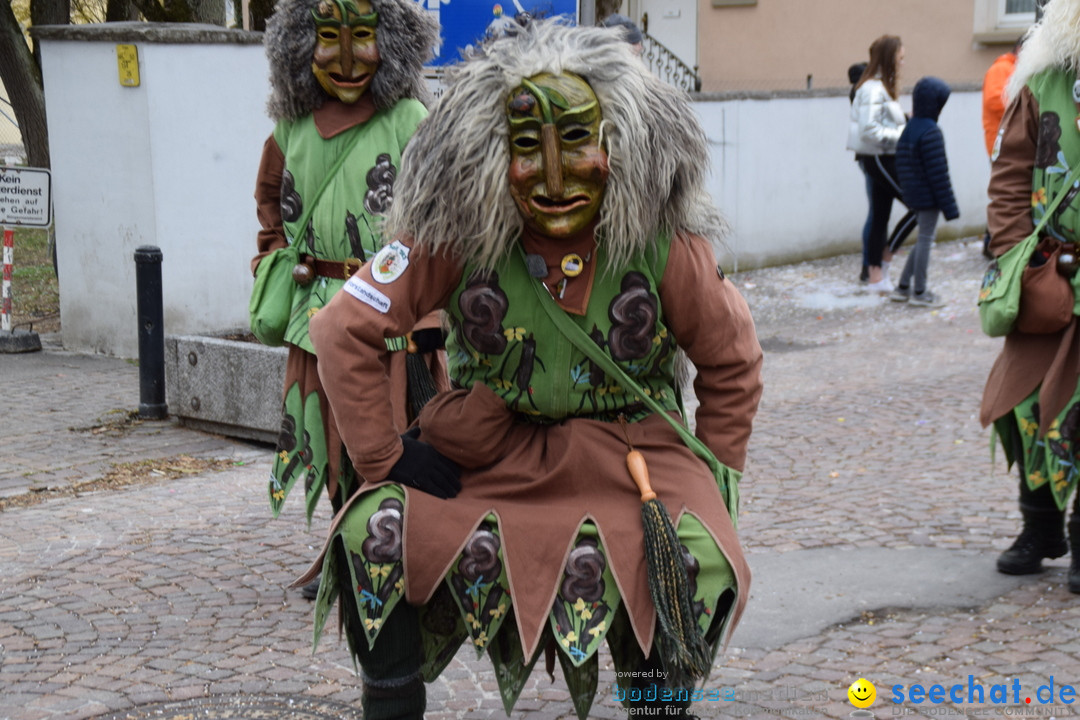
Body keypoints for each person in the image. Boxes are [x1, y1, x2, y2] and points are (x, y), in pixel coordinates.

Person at [301, 19, 763, 720]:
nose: (552, 177)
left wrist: (715, 474)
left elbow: (732, 358)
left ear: (619, 142)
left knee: (692, 555)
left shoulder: (663, 242)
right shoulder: (454, 231)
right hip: (492, 451)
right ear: (490, 152)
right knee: (375, 530)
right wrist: (383, 460)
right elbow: (342, 328)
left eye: (577, 139)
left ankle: (660, 708)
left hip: (635, 458)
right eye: (526, 147)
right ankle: (390, 704)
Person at [251, 0, 446, 593]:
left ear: (390, 40)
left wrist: (432, 310)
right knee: (331, 433)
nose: (344, 56)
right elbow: (268, 208)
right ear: (298, 44)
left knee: (399, 427)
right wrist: (278, 261)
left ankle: (401, 539)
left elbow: (441, 223)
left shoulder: (411, 119)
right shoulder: (290, 129)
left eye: (361, 34)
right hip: (314, 316)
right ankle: (347, 537)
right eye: (325, 36)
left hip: (390, 312)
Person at [980, 0, 1080, 592]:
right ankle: (1041, 529)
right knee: (1029, 407)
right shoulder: (1041, 83)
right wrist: (1019, 256)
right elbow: (1011, 175)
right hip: (1049, 275)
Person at [890, 77, 959, 308]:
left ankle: (902, 287)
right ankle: (919, 292)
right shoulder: (931, 131)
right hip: (928, 197)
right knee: (925, 241)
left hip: (914, 195)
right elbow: (939, 174)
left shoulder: (911, 127)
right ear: (935, 103)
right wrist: (950, 207)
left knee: (922, 239)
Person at [848, 35, 907, 293]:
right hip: (878, 157)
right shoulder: (873, 88)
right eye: (900, 57)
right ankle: (885, 257)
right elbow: (869, 130)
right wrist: (903, 138)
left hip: (881, 156)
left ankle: (875, 276)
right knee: (919, 204)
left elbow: (884, 121)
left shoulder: (880, 86)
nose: (903, 62)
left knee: (881, 214)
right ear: (889, 57)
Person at [981, 36, 1024, 258]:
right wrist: (1024, 102)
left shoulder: (1010, 67)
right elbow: (994, 101)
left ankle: (991, 240)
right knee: (1004, 193)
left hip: (1006, 141)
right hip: (1001, 142)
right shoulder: (1002, 68)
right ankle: (992, 242)